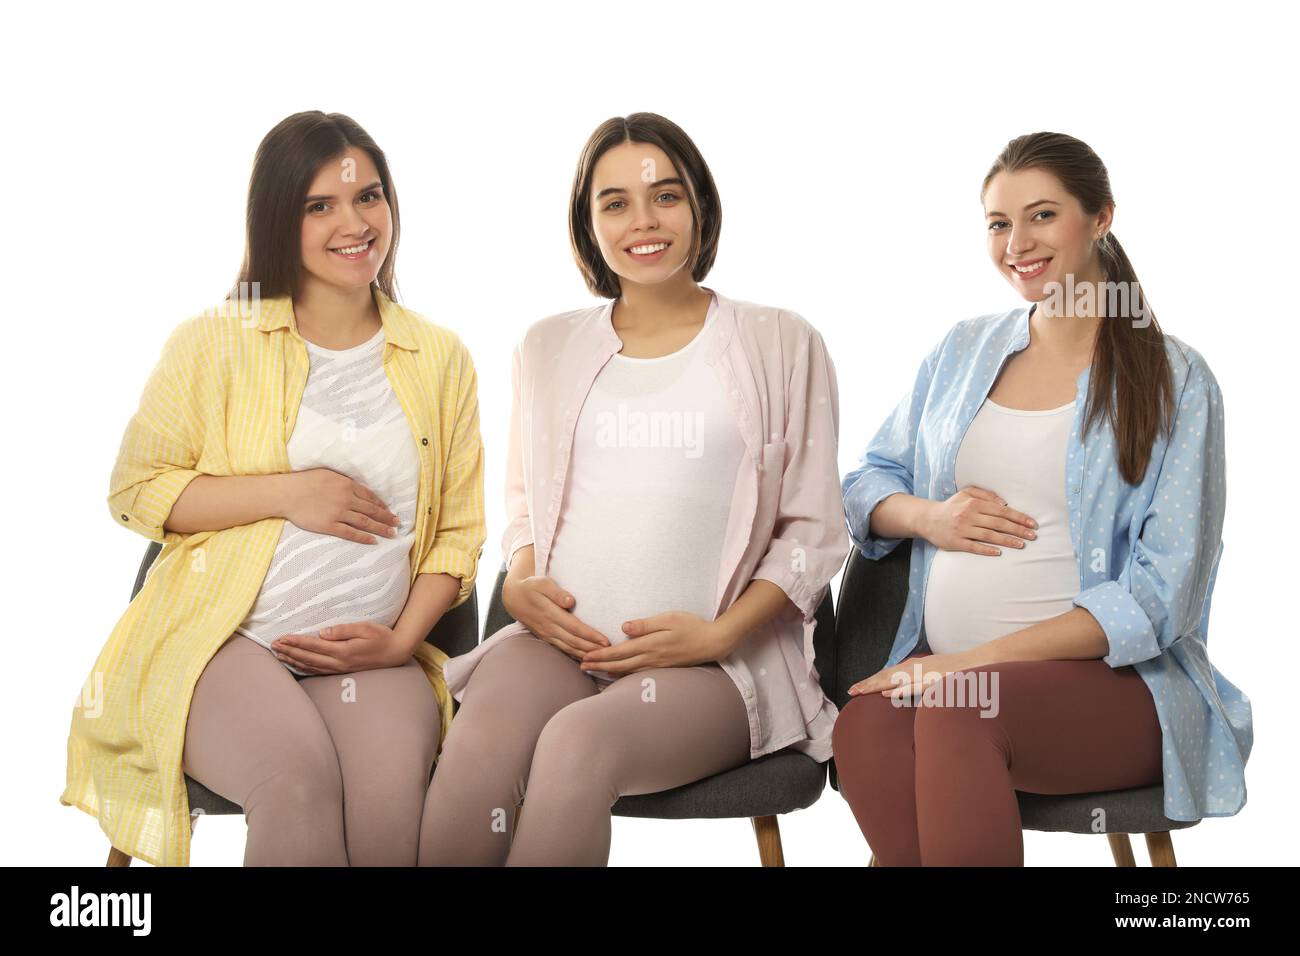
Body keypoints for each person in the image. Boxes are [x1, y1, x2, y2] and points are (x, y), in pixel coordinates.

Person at [417, 112, 849, 866]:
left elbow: (814, 533)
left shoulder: (781, 340)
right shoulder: (545, 347)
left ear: (701, 208)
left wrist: (717, 635)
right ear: (588, 225)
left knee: (578, 747)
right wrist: (520, 583)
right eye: (614, 203)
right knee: (477, 750)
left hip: (714, 666)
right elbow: (523, 504)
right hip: (560, 644)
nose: (642, 221)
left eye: (665, 196)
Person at [61, 111, 486, 866]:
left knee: (392, 810)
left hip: (371, 653)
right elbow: (136, 490)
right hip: (227, 642)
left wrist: (397, 642)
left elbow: (457, 534)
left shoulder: (438, 356)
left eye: (369, 197)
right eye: (318, 205)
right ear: (277, 218)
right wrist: (290, 492)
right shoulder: (213, 342)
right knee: (296, 784)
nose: (353, 223)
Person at [834, 131, 1252, 866]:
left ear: (1100, 219)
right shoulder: (962, 352)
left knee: (959, 717)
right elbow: (869, 479)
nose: (1016, 243)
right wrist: (930, 516)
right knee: (864, 728)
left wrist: (965, 667)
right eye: (998, 223)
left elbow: (1161, 596)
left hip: (1113, 690)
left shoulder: (1175, 379)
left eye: (1042, 216)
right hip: (952, 682)